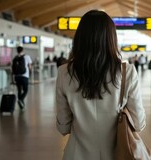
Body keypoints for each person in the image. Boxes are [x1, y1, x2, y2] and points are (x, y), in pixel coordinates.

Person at [56, 10, 146, 160]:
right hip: (117, 155)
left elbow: (63, 126)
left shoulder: (64, 72)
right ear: (111, 38)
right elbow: (138, 123)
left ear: (80, 38)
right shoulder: (127, 71)